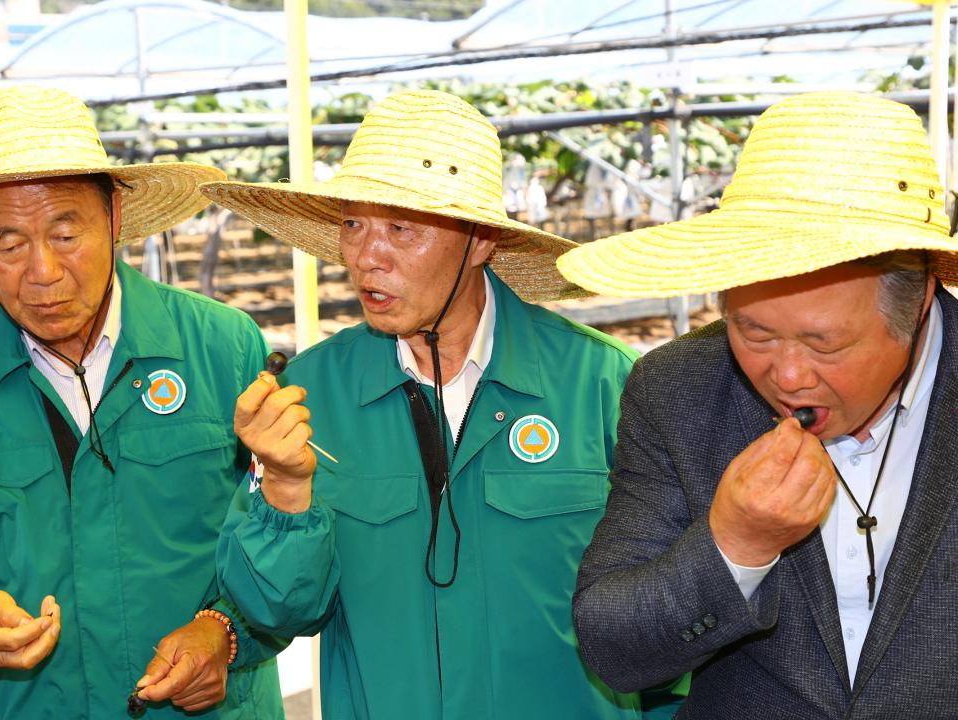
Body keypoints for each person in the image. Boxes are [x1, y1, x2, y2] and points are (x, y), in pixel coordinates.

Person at [201, 89, 687, 719]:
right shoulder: (309, 394)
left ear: (480, 241)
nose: (367, 257)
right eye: (353, 225)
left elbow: (668, 627)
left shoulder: (602, 386)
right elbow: (275, 612)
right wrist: (287, 492)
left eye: (401, 227)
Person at [0, 85, 285, 719]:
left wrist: (225, 631)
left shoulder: (223, 348)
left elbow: (283, 532)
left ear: (115, 216)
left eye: (67, 234)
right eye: (8, 244)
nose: (41, 271)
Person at [559, 91, 958, 718]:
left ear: (922, 300)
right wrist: (735, 544)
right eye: (755, 334)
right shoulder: (679, 390)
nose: (789, 376)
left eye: (826, 343)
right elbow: (615, 647)